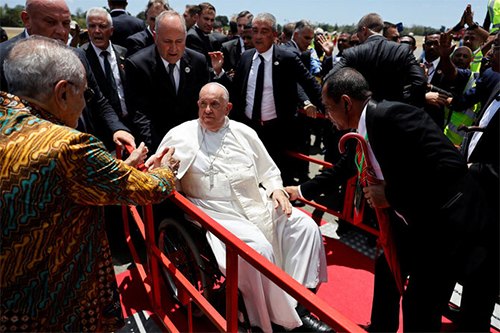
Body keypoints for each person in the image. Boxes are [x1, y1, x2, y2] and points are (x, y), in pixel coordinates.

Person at [286, 67, 488, 332]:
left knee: (420, 302)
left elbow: (451, 166)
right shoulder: (363, 128)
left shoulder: (394, 116)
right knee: (386, 270)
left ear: (346, 103)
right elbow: (347, 166)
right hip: (411, 219)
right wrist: (300, 191)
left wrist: (390, 194)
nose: (326, 115)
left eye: (328, 107)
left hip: (444, 226)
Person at [0, 35, 178, 332]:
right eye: (87, 93)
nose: (86, 103)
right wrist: (167, 170)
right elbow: (151, 189)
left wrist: (116, 169)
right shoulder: (69, 147)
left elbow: (57, 184)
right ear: (63, 93)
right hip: (58, 306)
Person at [155, 82, 330, 333]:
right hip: (215, 211)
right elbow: (161, 174)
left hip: (256, 201)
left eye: (214, 104)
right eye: (202, 104)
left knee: (304, 227)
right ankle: (269, 318)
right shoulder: (180, 135)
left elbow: (268, 170)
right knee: (256, 249)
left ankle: (297, 303)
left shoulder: (244, 132)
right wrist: (167, 171)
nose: (207, 110)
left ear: (228, 108)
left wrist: (277, 189)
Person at [0, 0, 136, 152]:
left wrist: (118, 128)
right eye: (50, 22)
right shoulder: (4, 58)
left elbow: (98, 100)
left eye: (66, 23)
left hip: (86, 155)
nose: (61, 31)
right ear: (27, 19)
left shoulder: (78, 56)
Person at [211, 13, 322, 185]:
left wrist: (330, 109)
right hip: (248, 131)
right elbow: (235, 88)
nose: (258, 36)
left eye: (264, 31)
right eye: (255, 31)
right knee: (248, 179)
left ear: (275, 35)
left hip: (277, 133)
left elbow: (309, 84)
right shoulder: (247, 58)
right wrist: (220, 72)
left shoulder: (287, 58)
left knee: (276, 182)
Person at [125, 10, 210, 153]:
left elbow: (201, 107)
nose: (174, 48)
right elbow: (140, 116)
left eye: (179, 41)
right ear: (155, 37)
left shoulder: (198, 62)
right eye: (167, 41)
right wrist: (161, 151)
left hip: (193, 144)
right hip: (156, 144)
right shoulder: (137, 65)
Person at [326, 13, 426, 107]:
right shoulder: (402, 50)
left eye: (359, 34)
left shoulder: (353, 53)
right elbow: (420, 81)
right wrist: (407, 105)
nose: (359, 39)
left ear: (364, 30)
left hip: (363, 116)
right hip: (394, 113)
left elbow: (329, 80)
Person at [81, 7, 129, 149]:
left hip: (128, 125)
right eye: (92, 26)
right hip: (99, 133)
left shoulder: (123, 53)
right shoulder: (81, 57)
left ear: (111, 30)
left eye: (102, 26)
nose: (97, 31)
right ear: (87, 30)